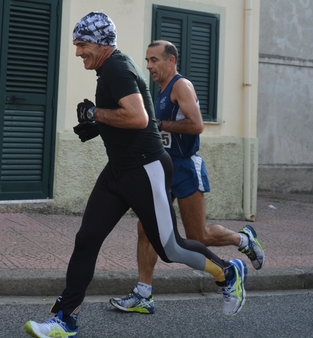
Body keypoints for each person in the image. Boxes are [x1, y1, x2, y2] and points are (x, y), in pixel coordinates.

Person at [24, 12, 248, 338]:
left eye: (82, 45)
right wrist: (98, 125)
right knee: (87, 239)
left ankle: (228, 273)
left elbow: (138, 117)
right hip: (119, 170)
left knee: (171, 249)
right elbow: (127, 117)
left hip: (146, 169)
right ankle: (65, 319)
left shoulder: (117, 68)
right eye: (76, 45)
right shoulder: (108, 69)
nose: (77, 52)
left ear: (101, 43)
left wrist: (94, 113)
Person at [108, 40, 265, 315]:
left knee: (197, 235)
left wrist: (161, 124)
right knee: (146, 228)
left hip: (185, 167)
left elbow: (197, 125)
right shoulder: (158, 92)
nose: (149, 66)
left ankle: (243, 240)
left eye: (154, 60)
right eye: (147, 60)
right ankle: (143, 294)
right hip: (164, 167)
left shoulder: (181, 85)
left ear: (171, 61)